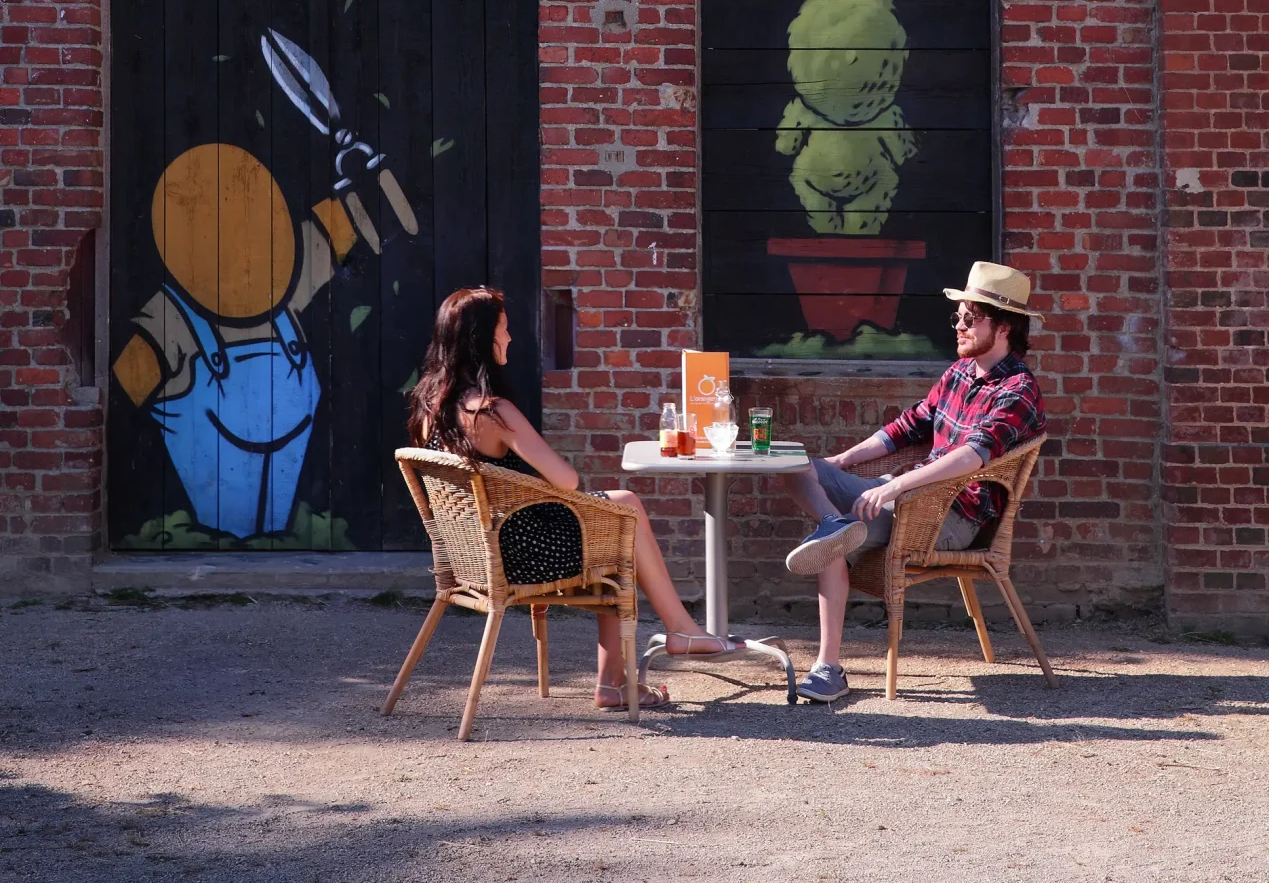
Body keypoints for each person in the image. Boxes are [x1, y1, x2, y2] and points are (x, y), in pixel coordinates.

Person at [407, 286, 743, 711]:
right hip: (522, 555)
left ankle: (620, 681)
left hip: (476, 552)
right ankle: (675, 633)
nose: (510, 339)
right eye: (504, 330)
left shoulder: (428, 409)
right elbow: (567, 480)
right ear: (483, 339)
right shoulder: (491, 411)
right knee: (625, 512)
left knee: (616, 520)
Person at [779, 262, 1047, 703]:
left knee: (836, 533)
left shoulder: (1017, 389)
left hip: (952, 515)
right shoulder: (960, 373)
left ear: (1003, 327)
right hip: (906, 497)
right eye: (957, 316)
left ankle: (828, 669)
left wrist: (897, 487)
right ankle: (833, 525)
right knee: (795, 465)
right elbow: (909, 426)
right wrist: (841, 460)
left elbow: (972, 455)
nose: (959, 325)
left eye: (969, 317)